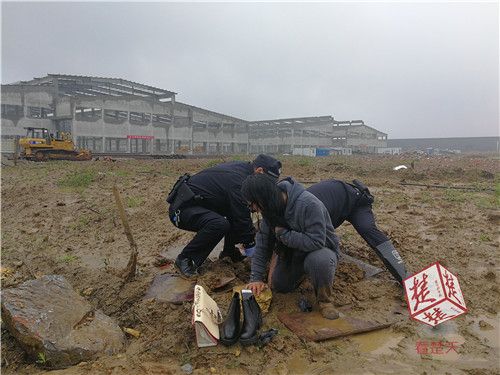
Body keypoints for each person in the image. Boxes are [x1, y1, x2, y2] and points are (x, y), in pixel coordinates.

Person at [242, 174, 340, 320]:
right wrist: (255, 278)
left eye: (253, 204)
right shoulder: (269, 210)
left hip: (320, 251)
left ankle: (325, 301)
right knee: (279, 285)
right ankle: (304, 273)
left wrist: (285, 235)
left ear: (263, 197)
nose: (253, 209)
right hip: (293, 253)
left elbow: (317, 241)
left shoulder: (308, 204)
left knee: (319, 261)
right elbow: (262, 246)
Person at [167, 154, 282, 278]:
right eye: (269, 182)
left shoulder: (244, 170)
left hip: (200, 206)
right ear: (259, 171)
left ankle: (229, 252)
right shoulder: (239, 181)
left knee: (231, 215)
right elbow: (242, 215)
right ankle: (185, 259)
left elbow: (237, 214)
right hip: (182, 211)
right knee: (219, 224)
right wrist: (250, 246)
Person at [306, 179, 410, 285]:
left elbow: (323, 240)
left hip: (356, 200)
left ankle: (406, 277)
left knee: (367, 229)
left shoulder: (307, 215)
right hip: (333, 203)